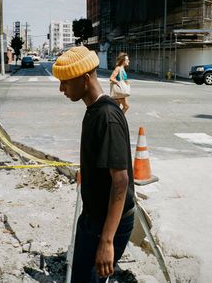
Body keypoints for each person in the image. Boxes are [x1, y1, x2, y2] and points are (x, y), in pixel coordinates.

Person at [52, 46, 134, 283]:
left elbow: (121, 182)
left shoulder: (107, 116)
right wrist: (87, 173)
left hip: (109, 224)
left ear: (84, 78)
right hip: (92, 217)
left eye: (65, 82)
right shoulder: (94, 110)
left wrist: (107, 242)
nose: (61, 89)